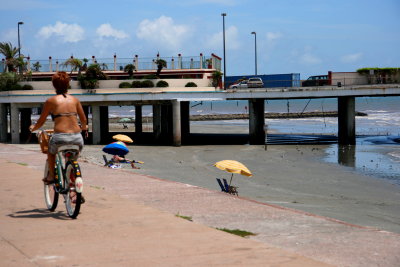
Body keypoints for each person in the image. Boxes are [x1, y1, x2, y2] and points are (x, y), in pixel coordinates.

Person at [29, 71, 88, 184]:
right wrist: (84, 129)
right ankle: (73, 180)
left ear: (54, 85)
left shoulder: (51, 101)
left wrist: (33, 128)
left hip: (60, 137)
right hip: (77, 138)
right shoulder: (75, 100)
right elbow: (84, 120)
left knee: (51, 153)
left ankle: (51, 176)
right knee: (72, 158)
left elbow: (41, 122)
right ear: (68, 84)